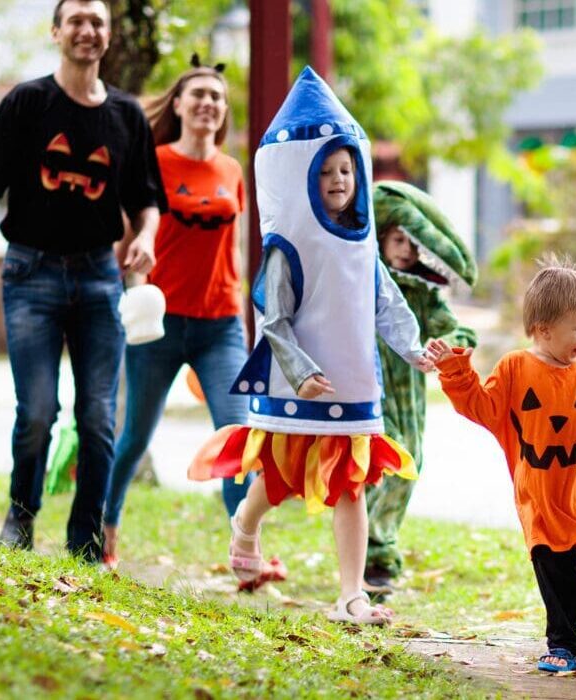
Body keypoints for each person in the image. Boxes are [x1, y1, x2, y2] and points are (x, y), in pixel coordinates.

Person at [189, 67, 432, 621]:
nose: (338, 178)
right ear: (299, 175)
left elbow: (385, 301)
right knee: (278, 477)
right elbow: (273, 319)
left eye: (346, 168)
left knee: (350, 486)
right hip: (299, 383)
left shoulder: (362, 244)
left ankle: (352, 594)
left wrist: (414, 350)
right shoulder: (286, 245)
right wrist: (299, 373)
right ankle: (244, 524)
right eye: (324, 170)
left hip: (350, 382)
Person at [0, 0, 164, 562]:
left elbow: (147, 201)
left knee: (99, 416)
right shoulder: (28, 102)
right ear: (56, 32)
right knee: (38, 412)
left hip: (101, 278)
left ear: (107, 36)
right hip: (31, 274)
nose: (87, 30)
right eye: (75, 20)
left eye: (97, 21)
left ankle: (86, 540)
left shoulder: (126, 116)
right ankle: (20, 516)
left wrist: (145, 235)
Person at [426, 256, 576, 673]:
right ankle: (562, 645)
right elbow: (481, 406)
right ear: (544, 329)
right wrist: (455, 371)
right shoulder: (515, 369)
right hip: (541, 495)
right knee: (556, 574)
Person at [101, 57, 257, 571]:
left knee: (236, 437)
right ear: (179, 105)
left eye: (217, 96)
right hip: (157, 325)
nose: (208, 104)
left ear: (223, 110)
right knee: (134, 438)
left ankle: (246, 553)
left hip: (220, 326)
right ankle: (106, 527)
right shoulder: (155, 162)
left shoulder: (233, 170)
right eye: (198, 95)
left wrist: (244, 317)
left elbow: (234, 249)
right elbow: (127, 240)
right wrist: (133, 288)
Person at [363, 181, 478, 594]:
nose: (407, 251)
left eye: (413, 243)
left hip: (409, 393)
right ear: (380, 236)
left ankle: (378, 548)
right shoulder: (362, 278)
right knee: (378, 461)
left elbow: (456, 329)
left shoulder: (423, 291)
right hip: (367, 389)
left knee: (409, 462)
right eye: (398, 240)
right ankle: (369, 549)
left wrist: (451, 346)